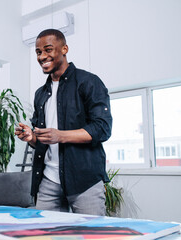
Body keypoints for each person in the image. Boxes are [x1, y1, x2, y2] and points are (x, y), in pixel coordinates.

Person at [15, 29, 112, 215]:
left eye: (48, 49)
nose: (42, 56)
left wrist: (60, 136)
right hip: (48, 181)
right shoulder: (40, 93)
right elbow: (42, 141)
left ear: (64, 49)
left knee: (90, 235)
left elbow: (102, 128)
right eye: (38, 52)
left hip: (85, 181)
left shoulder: (89, 82)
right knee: (43, 235)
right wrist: (31, 137)